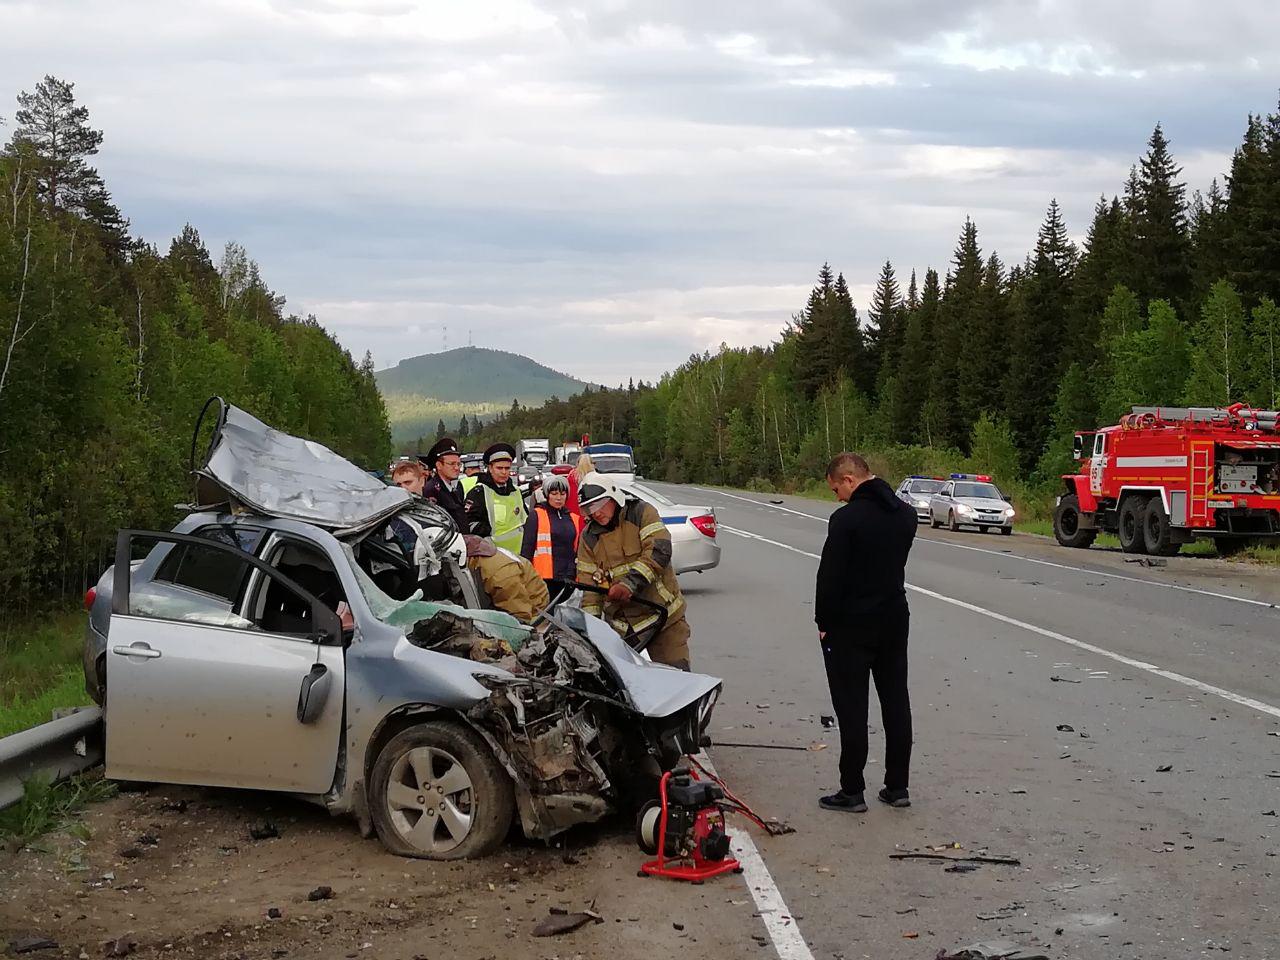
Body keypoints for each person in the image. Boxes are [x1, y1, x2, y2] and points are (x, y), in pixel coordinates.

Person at [814, 452, 917, 813]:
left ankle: (852, 790)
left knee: (852, 707)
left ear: (849, 480)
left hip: (850, 626)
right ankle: (897, 786)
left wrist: (823, 624)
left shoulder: (846, 520)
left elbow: (829, 578)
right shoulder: (906, 515)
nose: (837, 497)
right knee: (896, 703)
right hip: (893, 619)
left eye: (835, 490)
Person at [575, 472, 690, 669]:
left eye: (597, 505)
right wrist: (589, 631)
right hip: (624, 629)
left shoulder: (641, 513)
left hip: (663, 618)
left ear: (613, 497)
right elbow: (590, 590)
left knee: (678, 681)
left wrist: (629, 584)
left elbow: (659, 551)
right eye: (588, 509)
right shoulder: (588, 537)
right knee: (623, 690)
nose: (595, 513)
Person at [463, 535, 549, 623]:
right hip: (509, 602)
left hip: (532, 611)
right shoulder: (474, 554)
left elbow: (520, 616)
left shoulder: (499, 574)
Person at [464, 442, 528, 553]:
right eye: (499, 468)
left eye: (507, 468)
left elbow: (525, 520)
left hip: (518, 554)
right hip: (492, 556)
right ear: (490, 468)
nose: (504, 472)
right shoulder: (479, 492)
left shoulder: (516, 491)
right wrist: (487, 532)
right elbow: (468, 524)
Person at [521, 474, 583, 585]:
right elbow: (527, 550)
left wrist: (573, 571)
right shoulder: (536, 515)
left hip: (569, 578)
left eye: (562, 494)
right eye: (554, 494)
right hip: (542, 579)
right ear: (547, 495)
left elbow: (577, 551)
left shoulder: (574, 518)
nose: (559, 498)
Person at [421, 437, 469, 531]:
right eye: (452, 464)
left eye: (458, 464)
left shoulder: (458, 486)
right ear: (439, 465)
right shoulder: (432, 490)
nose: (457, 468)